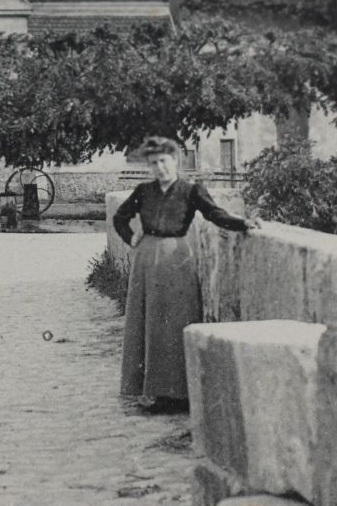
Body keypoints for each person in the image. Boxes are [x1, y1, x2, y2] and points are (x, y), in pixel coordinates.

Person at [111, 136, 259, 410]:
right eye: (154, 163)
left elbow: (215, 214)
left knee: (178, 319)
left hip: (178, 259)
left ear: (175, 162)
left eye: (164, 162)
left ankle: (181, 392)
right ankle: (156, 392)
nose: (160, 168)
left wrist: (244, 223)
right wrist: (131, 238)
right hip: (147, 261)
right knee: (152, 323)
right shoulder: (143, 191)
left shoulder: (191, 191)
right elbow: (119, 218)